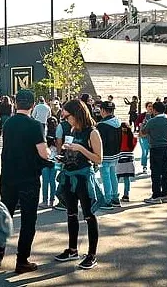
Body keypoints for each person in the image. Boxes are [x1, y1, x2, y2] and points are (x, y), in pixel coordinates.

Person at [0, 89, 53, 273]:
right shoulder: (35, 125)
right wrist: (50, 155)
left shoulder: (8, 124)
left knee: (4, 216)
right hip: (28, 179)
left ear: (16, 103)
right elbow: (43, 153)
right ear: (32, 105)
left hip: (7, 177)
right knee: (28, 221)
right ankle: (22, 261)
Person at [53, 99, 104, 270]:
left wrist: (80, 148)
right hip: (68, 175)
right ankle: (73, 249)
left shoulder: (93, 132)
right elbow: (70, 151)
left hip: (83, 177)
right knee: (71, 214)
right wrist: (62, 156)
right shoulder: (73, 129)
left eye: (67, 116)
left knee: (89, 216)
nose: (66, 120)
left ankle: (92, 254)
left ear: (77, 114)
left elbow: (98, 158)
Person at [141, 102, 167, 204]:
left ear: (154, 110)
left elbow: (143, 133)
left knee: (155, 172)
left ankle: (156, 195)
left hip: (156, 148)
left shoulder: (152, 121)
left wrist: (143, 125)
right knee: (165, 172)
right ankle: (165, 195)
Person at [96, 101, 121, 208]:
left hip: (105, 155)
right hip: (116, 154)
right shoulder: (118, 122)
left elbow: (101, 142)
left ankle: (107, 200)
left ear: (103, 110)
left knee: (105, 177)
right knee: (113, 176)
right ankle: (115, 198)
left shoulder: (102, 125)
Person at [117, 122, 137, 202]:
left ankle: (114, 194)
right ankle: (126, 195)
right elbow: (132, 148)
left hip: (120, 158)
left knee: (116, 177)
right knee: (126, 178)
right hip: (129, 159)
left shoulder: (118, 137)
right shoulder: (132, 138)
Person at [138, 102, 154, 174]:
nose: (150, 108)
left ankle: (153, 166)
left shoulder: (155, 115)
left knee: (153, 152)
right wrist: (141, 123)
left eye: (152, 106)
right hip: (144, 136)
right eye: (149, 106)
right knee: (145, 152)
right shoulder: (142, 115)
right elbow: (137, 122)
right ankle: (144, 166)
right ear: (146, 107)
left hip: (153, 137)